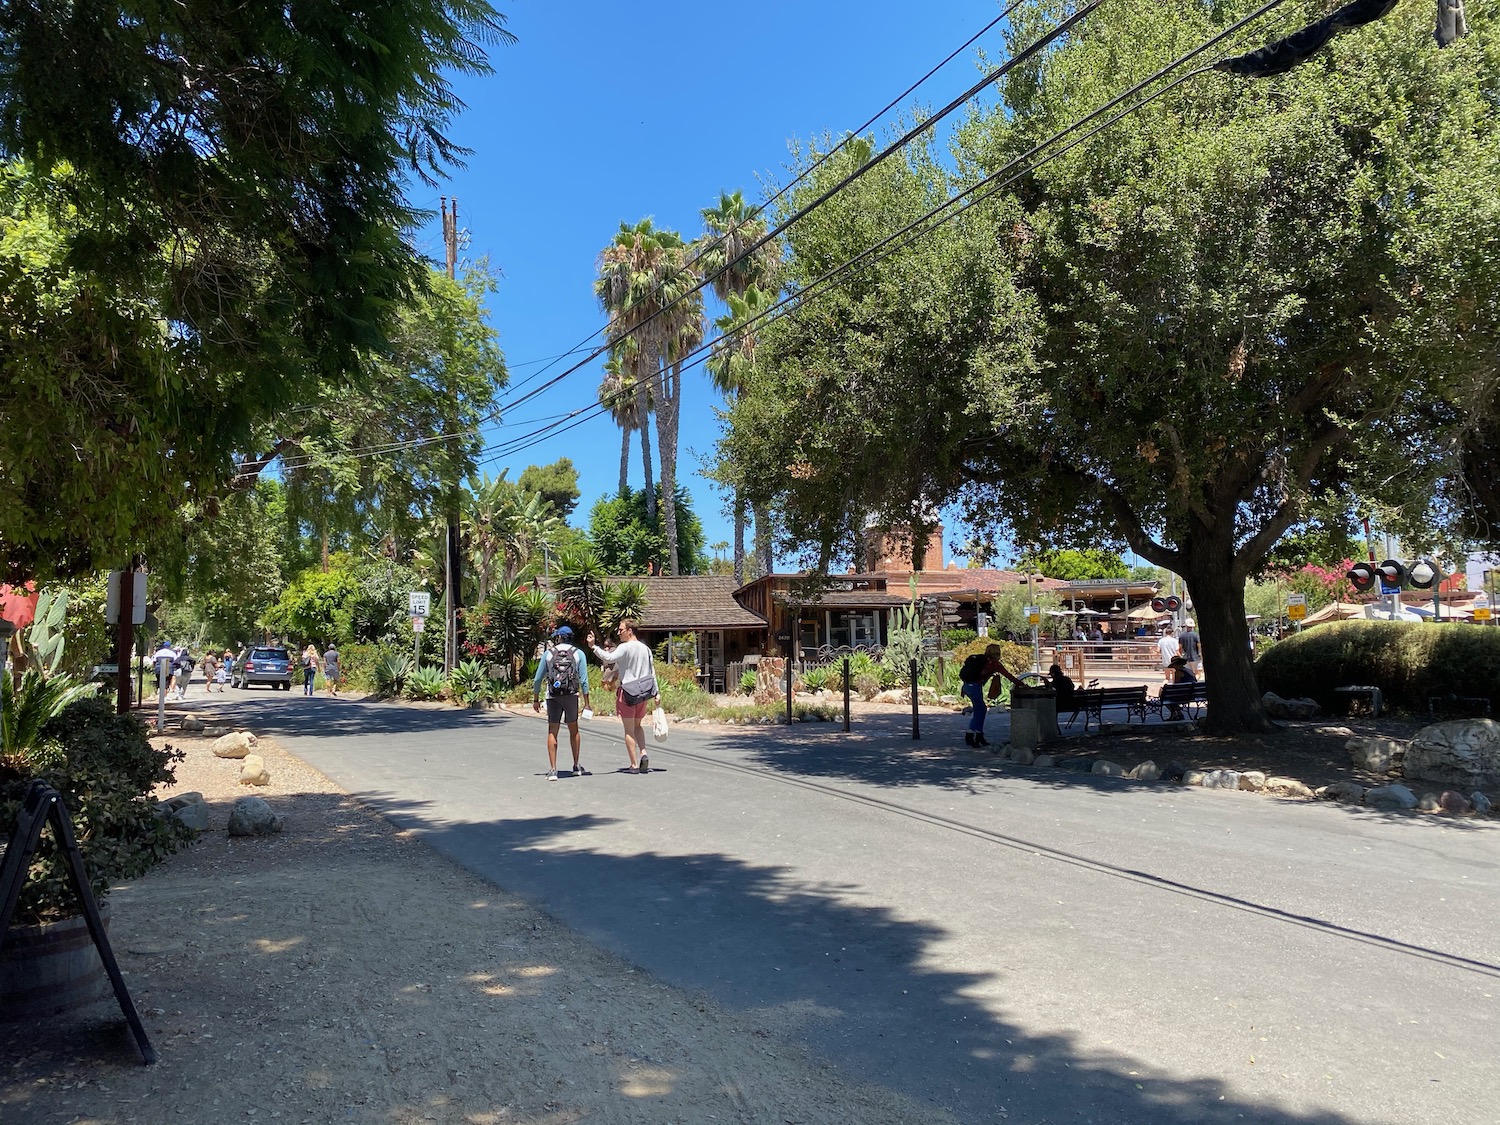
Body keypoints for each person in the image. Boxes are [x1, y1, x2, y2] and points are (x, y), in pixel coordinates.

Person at [587, 618, 656, 774]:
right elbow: (652, 671)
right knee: (638, 726)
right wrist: (656, 692)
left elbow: (608, 658)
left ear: (629, 631)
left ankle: (633, 765)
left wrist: (593, 647)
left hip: (628, 692)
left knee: (628, 730)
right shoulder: (645, 649)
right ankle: (643, 753)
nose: (619, 633)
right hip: (644, 692)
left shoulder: (625, 647)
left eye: (621, 630)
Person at [532, 625, 590, 781]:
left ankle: (553, 770)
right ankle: (576, 766)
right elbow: (584, 681)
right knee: (574, 730)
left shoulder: (548, 654)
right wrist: (587, 703)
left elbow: (537, 679)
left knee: (553, 730)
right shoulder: (579, 654)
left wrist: (536, 698)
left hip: (553, 696)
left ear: (559, 637)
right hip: (571, 695)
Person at [957, 643, 1027, 748]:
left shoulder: (980, 660)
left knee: (979, 709)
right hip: (975, 687)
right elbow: (1008, 676)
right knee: (981, 709)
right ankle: (973, 734)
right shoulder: (994, 664)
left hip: (968, 686)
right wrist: (1022, 684)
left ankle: (976, 734)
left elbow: (970, 674)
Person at [1159, 654, 1197, 720]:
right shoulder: (1190, 671)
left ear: (1176, 664)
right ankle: (1179, 714)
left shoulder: (1178, 672)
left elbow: (1175, 686)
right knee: (1170, 696)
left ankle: (1175, 714)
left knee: (1164, 697)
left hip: (1182, 695)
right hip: (1192, 695)